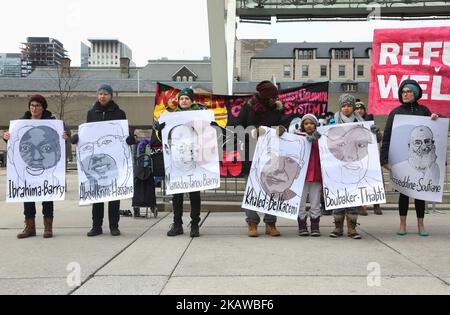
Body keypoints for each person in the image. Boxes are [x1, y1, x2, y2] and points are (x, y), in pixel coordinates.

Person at [71, 84, 136, 237]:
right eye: (100, 93)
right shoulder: (92, 113)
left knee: (114, 195)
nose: (102, 96)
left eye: (105, 94)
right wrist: (78, 139)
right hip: (97, 160)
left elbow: (124, 135)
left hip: (113, 159)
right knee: (97, 195)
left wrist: (129, 139)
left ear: (111, 96)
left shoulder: (120, 113)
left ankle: (114, 225)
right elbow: (88, 135)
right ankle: (96, 226)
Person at [2, 94, 68, 239]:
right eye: (32, 105)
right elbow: (15, 145)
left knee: (47, 195)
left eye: (37, 105)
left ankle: (48, 227)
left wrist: (64, 136)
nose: (34, 108)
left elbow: (62, 142)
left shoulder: (53, 122)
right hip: (27, 168)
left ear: (43, 107)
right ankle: (30, 227)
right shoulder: (21, 122)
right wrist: (6, 137)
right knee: (27, 196)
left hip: (47, 168)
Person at [380, 80, 440, 237]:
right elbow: (387, 137)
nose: (405, 94)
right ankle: (402, 224)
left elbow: (437, 128)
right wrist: (384, 159)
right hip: (403, 160)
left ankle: (421, 224)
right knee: (404, 193)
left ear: (416, 93)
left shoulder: (424, 111)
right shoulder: (395, 113)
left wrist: (435, 117)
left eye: (408, 91)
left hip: (423, 162)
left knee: (420, 193)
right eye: (403, 92)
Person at [155, 88, 207, 238]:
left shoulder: (200, 116)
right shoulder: (172, 117)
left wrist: (209, 125)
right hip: (177, 161)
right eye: (182, 98)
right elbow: (162, 138)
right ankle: (177, 224)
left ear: (192, 101)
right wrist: (160, 130)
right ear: (179, 100)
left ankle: (195, 224)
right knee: (177, 195)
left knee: (194, 195)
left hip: (194, 161)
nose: (184, 101)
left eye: (187, 98)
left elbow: (208, 134)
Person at [238, 80, 287, 237]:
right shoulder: (248, 108)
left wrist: (282, 128)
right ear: (264, 97)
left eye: (275, 97)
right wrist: (253, 132)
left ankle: (270, 223)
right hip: (251, 155)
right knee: (252, 190)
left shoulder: (278, 109)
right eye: (272, 97)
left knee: (273, 189)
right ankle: (252, 223)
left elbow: (286, 123)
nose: (275, 99)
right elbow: (237, 128)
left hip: (272, 156)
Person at [329, 94, 366, 240]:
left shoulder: (361, 122)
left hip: (355, 163)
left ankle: (352, 228)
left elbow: (368, 140)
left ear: (353, 107)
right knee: (338, 196)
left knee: (352, 197)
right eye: (343, 105)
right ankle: (338, 227)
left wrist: (375, 133)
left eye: (349, 105)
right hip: (337, 163)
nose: (346, 108)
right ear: (340, 107)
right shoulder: (332, 122)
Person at [295, 114, 323, 237]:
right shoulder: (296, 137)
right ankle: (302, 225)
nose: (309, 125)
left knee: (315, 201)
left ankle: (315, 225)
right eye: (306, 124)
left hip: (316, 174)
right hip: (301, 175)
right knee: (300, 202)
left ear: (315, 125)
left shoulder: (321, 137)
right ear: (302, 126)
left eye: (311, 123)